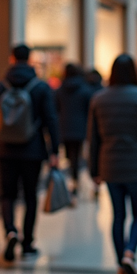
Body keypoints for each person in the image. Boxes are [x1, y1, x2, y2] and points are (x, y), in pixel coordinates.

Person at [0, 44, 60, 261]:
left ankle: (10, 232)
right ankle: (28, 242)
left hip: (5, 150)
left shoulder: (0, 87)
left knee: (7, 195)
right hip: (33, 150)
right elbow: (51, 120)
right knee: (30, 196)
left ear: (11, 59)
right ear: (30, 59)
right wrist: (55, 151)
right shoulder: (40, 87)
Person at [88, 54, 137, 274]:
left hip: (109, 165)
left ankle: (120, 264)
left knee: (118, 215)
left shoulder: (98, 99)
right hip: (136, 166)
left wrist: (94, 171)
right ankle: (131, 253)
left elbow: (93, 139)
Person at [55, 63, 95, 195]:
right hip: (80, 128)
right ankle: (75, 181)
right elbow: (89, 110)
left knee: (70, 156)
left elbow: (56, 109)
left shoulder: (60, 90)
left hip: (64, 127)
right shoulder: (85, 89)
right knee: (77, 155)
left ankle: (73, 181)